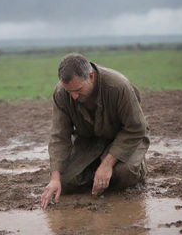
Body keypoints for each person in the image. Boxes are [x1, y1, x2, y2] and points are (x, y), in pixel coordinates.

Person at [41, 53, 150, 209]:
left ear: (91, 76)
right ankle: (95, 170)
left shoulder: (118, 86)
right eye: (69, 91)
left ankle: (132, 167)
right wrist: (55, 178)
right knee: (64, 182)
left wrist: (107, 164)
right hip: (90, 139)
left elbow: (136, 128)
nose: (74, 96)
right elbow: (59, 136)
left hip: (125, 137)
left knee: (124, 173)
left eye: (78, 90)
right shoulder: (61, 93)